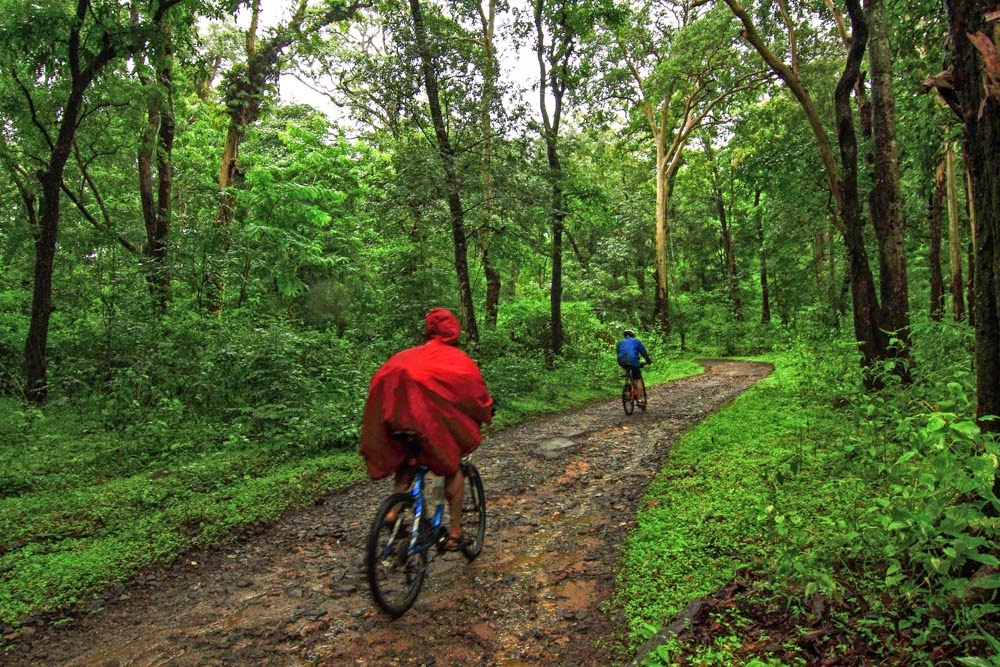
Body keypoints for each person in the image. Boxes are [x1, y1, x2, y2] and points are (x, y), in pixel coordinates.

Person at [359, 307, 494, 551]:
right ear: (454, 331)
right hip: (428, 426)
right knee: (451, 468)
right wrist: (486, 410)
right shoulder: (457, 360)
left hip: (396, 423)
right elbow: (474, 396)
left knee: (406, 461)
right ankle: (454, 533)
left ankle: (393, 510)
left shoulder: (404, 357)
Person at [616, 329, 651, 398]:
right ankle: (639, 398)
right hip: (633, 361)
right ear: (633, 335)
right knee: (638, 379)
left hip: (621, 361)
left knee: (627, 371)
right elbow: (643, 352)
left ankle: (627, 389)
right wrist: (648, 360)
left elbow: (618, 353)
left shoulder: (620, 342)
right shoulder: (636, 341)